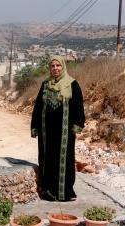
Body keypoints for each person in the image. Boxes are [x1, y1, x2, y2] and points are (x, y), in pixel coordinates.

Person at [31, 56, 85, 202]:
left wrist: (77, 125)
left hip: (65, 132)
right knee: (47, 159)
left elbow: (78, 106)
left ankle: (64, 192)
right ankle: (48, 191)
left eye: (58, 66)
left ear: (63, 67)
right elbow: (38, 107)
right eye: (52, 66)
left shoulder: (72, 84)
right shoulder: (45, 84)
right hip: (46, 132)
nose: (55, 68)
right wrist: (35, 126)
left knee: (64, 160)